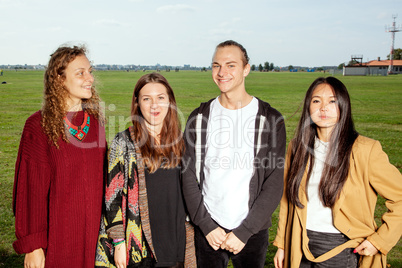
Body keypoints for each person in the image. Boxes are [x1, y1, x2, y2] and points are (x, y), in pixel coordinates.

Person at [273, 77, 402, 268]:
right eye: (316, 101)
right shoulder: (297, 147)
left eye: (332, 101)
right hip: (299, 241)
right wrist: (283, 243)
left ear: (343, 105)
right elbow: (288, 200)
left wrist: (379, 241)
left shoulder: (366, 150)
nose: (323, 108)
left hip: (341, 246)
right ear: (308, 107)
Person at [181, 40, 286, 267]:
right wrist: (206, 225)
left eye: (230, 65)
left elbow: (274, 181)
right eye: (216, 65)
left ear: (246, 69)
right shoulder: (198, 118)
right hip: (209, 230)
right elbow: (187, 174)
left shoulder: (270, 119)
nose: (222, 72)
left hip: (252, 230)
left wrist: (245, 231)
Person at [12, 45, 106, 267]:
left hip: (94, 241)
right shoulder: (38, 125)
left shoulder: (96, 125)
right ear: (60, 79)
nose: (90, 78)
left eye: (90, 71)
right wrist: (33, 246)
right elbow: (30, 191)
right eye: (80, 73)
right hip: (57, 243)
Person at [95, 73, 196, 268]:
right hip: (141, 248)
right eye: (146, 99)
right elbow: (112, 197)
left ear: (170, 101)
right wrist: (118, 242)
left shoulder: (182, 142)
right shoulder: (123, 142)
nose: (154, 105)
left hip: (178, 244)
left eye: (160, 98)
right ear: (137, 103)